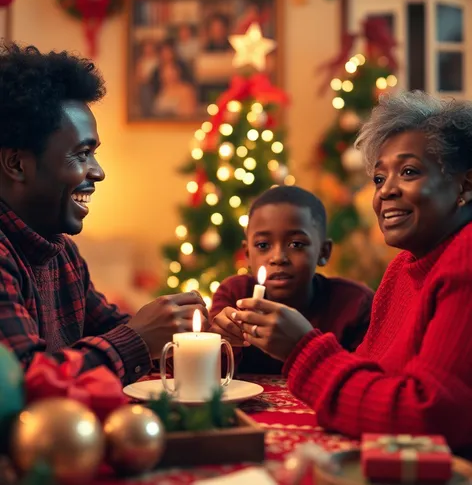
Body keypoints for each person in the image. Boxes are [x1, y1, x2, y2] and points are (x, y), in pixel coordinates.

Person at [232, 92, 472, 454]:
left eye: (408, 171)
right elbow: (369, 377)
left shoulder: (465, 256)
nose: (386, 191)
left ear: (465, 186)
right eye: (378, 178)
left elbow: (429, 416)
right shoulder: (403, 269)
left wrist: (302, 347)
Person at [0, 42, 207, 386]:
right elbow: (26, 384)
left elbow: (114, 329)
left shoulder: (60, 251)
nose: (98, 172)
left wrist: (198, 335)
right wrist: (139, 338)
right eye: (82, 154)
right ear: (17, 163)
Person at [210, 186, 373, 374]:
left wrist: (306, 347)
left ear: (324, 252)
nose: (278, 257)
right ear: (247, 254)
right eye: (263, 245)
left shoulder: (354, 304)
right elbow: (210, 377)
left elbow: (363, 378)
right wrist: (219, 343)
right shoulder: (234, 295)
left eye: (296, 244)